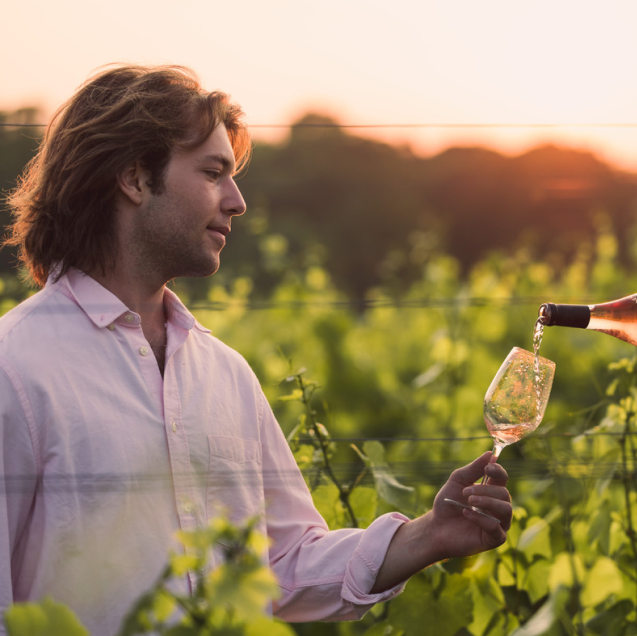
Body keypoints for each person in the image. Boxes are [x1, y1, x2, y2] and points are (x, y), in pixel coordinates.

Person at [0, 65, 512, 635]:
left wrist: (428, 535)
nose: (237, 201)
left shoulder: (225, 376)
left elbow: (283, 565)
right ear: (136, 178)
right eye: (214, 172)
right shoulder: (14, 369)